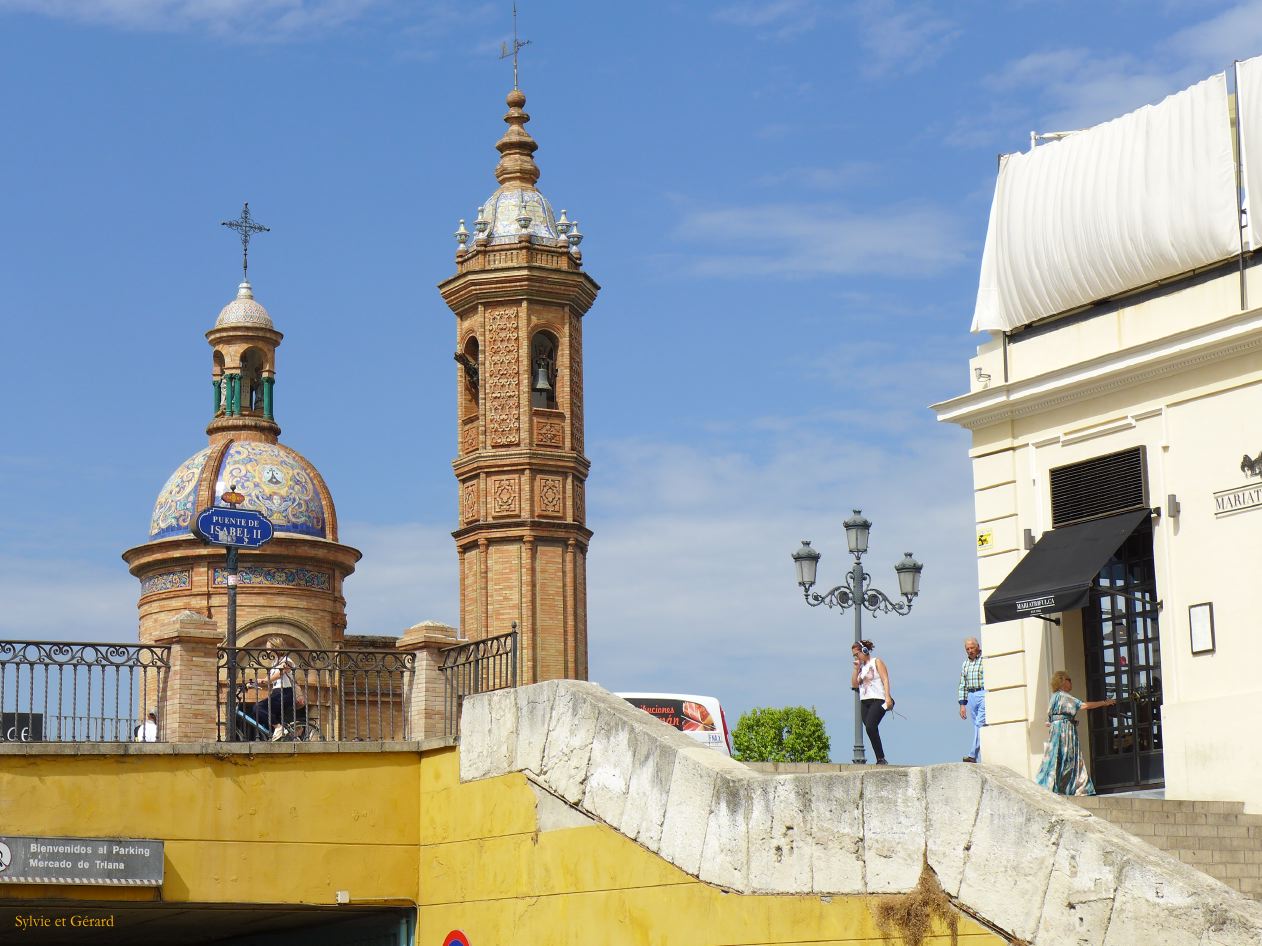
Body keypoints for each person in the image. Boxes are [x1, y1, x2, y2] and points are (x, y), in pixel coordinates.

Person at [1035, 670, 1116, 796]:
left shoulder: (1054, 697)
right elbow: (1083, 705)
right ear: (1062, 682)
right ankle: (1076, 787)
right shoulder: (1064, 696)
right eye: (1069, 680)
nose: (1071, 682)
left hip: (1056, 730)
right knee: (1069, 757)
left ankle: (1052, 786)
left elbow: (1049, 720)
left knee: (1055, 757)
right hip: (1065, 731)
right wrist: (1104, 703)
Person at [850, 639, 893, 765]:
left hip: (878, 699)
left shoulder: (876, 662)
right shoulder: (861, 668)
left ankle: (881, 758)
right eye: (854, 655)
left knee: (870, 726)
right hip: (865, 701)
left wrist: (888, 697)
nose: (856, 657)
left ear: (864, 650)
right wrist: (856, 669)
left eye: (857, 654)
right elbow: (854, 684)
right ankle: (880, 758)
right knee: (871, 729)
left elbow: (885, 679)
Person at [250, 636, 297, 741]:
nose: (266, 648)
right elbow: (267, 679)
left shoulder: (286, 660)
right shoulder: (274, 662)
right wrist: (252, 683)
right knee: (261, 713)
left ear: (275, 646)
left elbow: (279, 674)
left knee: (258, 707)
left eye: (268, 646)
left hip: (285, 693)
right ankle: (281, 733)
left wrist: (266, 681)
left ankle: (278, 728)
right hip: (277, 693)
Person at [958, 637, 985, 762]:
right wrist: (962, 705)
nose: (970, 651)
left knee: (980, 724)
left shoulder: (984, 660)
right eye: (967, 649)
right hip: (971, 695)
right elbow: (962, 684)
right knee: (977, 726)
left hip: (983, 693)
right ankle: (979, 755)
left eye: (972, 648)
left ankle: (973, 754)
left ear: (977, 647)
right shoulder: (965, 664)